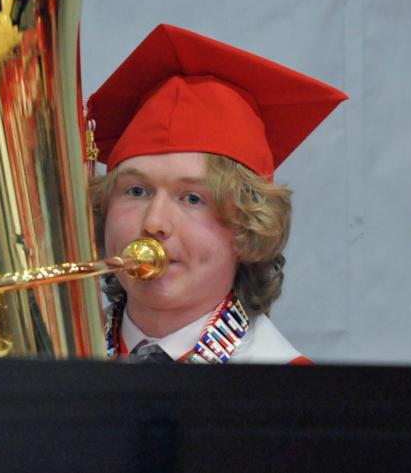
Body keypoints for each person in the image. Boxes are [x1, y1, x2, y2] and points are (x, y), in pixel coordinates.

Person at [86, 24, 347, 364]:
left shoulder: (293, 396)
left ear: (247, 229)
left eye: (192, 198)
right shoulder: (43, 366)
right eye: (136, 191)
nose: (154, 222)